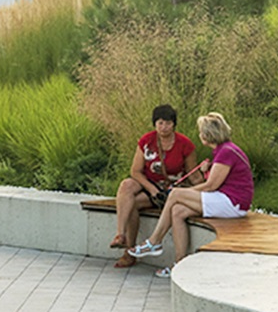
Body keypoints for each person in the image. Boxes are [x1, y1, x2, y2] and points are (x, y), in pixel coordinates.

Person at [134, 112, 255, 277]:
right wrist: (207, 171)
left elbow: (211, 186)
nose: (200, 135)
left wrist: (181, 192)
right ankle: (179, 264)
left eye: (201, 132)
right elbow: (217, 181)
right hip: (226, 200)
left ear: (207, 135)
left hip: (232, 203)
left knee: (175, 195)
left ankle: (155, 241)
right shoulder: (224, 150)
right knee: (177, 211)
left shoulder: (226, 152)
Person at [109, 105, 200, 269]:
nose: (164, 127)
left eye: (168, 123)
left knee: (132, 204)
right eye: (160, 123)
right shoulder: (146, 141)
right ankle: (121, 236)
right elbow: (135, 171)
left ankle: (130, 252)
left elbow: (193, 175)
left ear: (174, 124)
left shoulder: (185, 144)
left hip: (171, 191)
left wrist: (207, 190)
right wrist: (152, 190)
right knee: (127, 185)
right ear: (154, 124)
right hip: (150, 186)